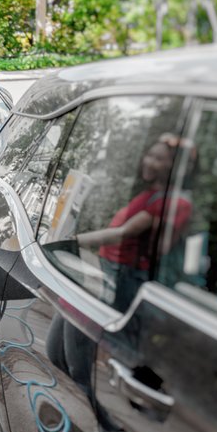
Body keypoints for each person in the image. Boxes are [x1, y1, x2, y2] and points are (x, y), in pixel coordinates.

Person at [77, 133, 193, 312]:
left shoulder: (170, 201)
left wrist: (74, 241)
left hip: (123, 274)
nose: (149, 162)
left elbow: (122, 233)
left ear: (174, 165)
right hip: (112, 268)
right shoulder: (153, 193)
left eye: (159, 158)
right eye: (150, 155)